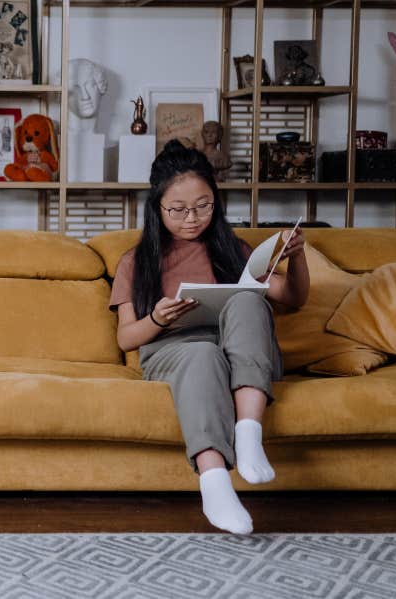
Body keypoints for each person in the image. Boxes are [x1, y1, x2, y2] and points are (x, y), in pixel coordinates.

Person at [108, 140, 308, 534]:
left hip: (242, 350)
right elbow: (127, 339)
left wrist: (296, 257)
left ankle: (249, 433)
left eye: (203, 206)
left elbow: (294, 298)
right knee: (202, 353)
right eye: (178, 210)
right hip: (174, 351)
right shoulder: (135, 262)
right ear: (157, 209)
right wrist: (157, 318)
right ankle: (214, 482)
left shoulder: (232, 250)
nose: (192, 219)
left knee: (249, 302)